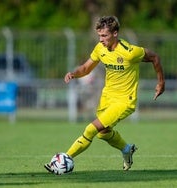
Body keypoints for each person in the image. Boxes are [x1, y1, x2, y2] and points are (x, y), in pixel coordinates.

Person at [44, 16, 165, 172]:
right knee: (103, 133)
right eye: (99, 35)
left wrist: (161, 82)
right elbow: (86, 68)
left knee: (91, 129)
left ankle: (64, 160)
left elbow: (155, 57)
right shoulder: (100, 48)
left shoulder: (130, 52)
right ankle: (127, 150)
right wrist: (74, 74)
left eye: (104, 35)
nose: (101, 39)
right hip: (107, 97)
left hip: (124, 101)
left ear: (115, 33)